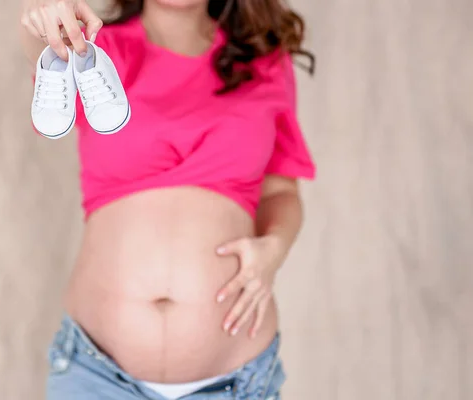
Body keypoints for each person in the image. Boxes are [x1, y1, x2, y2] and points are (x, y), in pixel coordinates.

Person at [20, 0, 316, 398]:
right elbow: (39, 40)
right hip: (96, 375)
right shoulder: (90, 50)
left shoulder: (264, 61)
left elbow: (281, 190)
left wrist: (274, 248)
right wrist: (41, 13)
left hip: (234, 379)